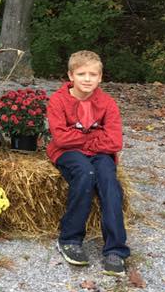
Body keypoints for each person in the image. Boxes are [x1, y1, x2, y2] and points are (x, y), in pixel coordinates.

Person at [46, 50, 130, 276]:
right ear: (70, 75)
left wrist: (83, 140)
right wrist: (95, 136)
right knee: (85, 173)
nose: (87, 79)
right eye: (81, 73)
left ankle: (115, 250)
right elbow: (61, 139)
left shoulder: (107, 103)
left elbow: (115, 141)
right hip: (67, 153)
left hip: (101, 153)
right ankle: (70, 239)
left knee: (108, 181)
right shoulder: (58, 100)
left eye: (93, 74)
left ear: (100, 77)